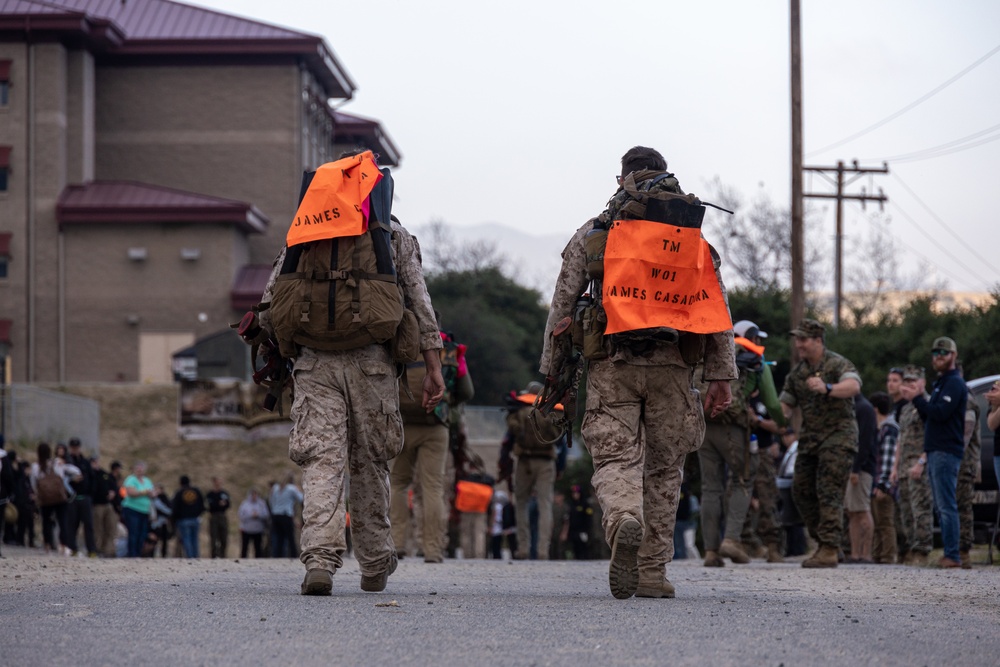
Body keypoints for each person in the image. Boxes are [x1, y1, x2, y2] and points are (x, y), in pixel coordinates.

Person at [540, 146, 737, 599]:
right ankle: (651, 572)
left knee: (615, 459)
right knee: (666, 470)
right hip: (674, 365)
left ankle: (624, 519)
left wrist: (552, 375)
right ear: (665, 175)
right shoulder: (692, 240)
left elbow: (562, 307)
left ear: (621, 178)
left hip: (612, 362)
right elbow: (716, 308)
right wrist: (720, 376)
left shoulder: (596, 231)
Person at [256, 152, 445, 595]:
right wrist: (433, 366)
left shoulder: (304, 229)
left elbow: (270, 303)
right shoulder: (392, 234)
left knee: (322, 461)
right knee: (370, 461)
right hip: (372, 362)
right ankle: (375, 559)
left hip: (314, 362)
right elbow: (419, 302)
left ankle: (320, 559)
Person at [779, 318, 861, 568]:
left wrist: (827, 387)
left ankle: (828, 548)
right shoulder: (798, 373)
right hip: (811, 441)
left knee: (829, 491)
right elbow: (784, 407)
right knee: (801, 490)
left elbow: (853, 386)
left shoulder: (837, 363)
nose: (798, 345)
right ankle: (828, 543)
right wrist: (765, 416)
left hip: (838, 437)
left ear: (817, 341)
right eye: (797, 340)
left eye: (803, 339)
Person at [391, 329, 474, 564]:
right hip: (436, 425)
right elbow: (467, 391)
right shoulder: (449, 350)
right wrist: (445, 402)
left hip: (404, 424)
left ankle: (397, 544)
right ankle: (433, 550)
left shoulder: (400, 343)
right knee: (433, 487)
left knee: (398, 484)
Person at [899, 336, 968, 569]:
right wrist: (918, 399)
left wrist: (917, 397)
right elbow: (931, 415)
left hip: (946, 451)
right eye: (935, 353)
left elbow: (940, 413)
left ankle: (953, 555)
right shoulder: (942, 383)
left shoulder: (954, 383)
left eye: (943, 353)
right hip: (936, 451)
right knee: (941, 505)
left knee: (947, 505)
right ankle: (950, 554)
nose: (938, 357)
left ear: (953, 355)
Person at [503, 382, 564, 561]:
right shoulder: (553, 412)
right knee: (545, 505)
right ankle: (542, 550)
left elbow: (510, 432)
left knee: (521, 503)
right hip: (546, 462)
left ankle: (523, 548)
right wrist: (560, 467)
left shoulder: (519, 411)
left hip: (524, 462)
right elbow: (560, 441)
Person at [869, 391, 899, 565]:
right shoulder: (882, 429)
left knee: (885, 521)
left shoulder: (889, 429)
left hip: (885, 484)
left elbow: (888, 460)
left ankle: (887, 555)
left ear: (874, 409)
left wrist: (882, 485)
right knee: (879, 521)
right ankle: (878, 554)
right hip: (879, 482)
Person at [845, 393, 877, 563]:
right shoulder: (853, 406)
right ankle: (855, 553)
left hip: (862, 468)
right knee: (853, 511)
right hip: (853, 466)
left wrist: (856, 468)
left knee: (863, 510)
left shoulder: (863, 408)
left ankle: (866, 554)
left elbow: (865, 440)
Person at [954, 362, 980, 569]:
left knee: (962, 506)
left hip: (963, 463)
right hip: (955, 461)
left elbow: (966, 432)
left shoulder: (967, 400)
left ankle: (963, 553)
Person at [65, 438, 98, 557]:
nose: (75, 450)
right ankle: (72, 548)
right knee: (72, 525)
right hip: (72, 498)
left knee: (88, 525)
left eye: (77, 447)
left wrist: (90, 494)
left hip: (85, 497)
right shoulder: (66, 462)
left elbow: (92, 478)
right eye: (73, 448)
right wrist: (71, 480)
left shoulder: (85, 462)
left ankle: (91, 550)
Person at [120, 461, 154, 558]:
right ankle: (132, 554)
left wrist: (152, 493)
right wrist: (144, 492)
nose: (140, 470)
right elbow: (131, 492)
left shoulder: (147, 480)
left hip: (144, 510)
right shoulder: (130, 479)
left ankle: (139, 553)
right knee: (133, 532)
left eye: (141, 468)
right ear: (134, 469)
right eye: (138, 468)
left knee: (142, 533)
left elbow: (152, 492)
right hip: (132, 509)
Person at [269, 473, 303, 560]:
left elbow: (271, 501)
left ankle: (277, 556)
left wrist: (274, 510)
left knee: (278, 537)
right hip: (286, 515)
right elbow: (301, 498)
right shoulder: (292, 488)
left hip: (276, 514)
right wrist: (299, 490)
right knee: (290, 537)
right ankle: (293, 555)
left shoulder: (275, 488)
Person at [90, 454, 119, 558]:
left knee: (110, 527)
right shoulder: (90, 474)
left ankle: (109, 550)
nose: (96, 463)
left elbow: (113, 485)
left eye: (97, 461)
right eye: (94, 462)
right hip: (97, 504)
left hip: (108, 504)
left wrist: (113, 492)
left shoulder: (104, 474)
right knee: (98, 528)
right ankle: (97, 549)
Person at [172, 475, 205, 558]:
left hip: (183, 520)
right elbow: (202, 505)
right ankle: (196, 556)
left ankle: (190, 557)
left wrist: (175, 518)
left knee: (186, 539)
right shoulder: (196, 491)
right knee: (195, 539)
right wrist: (198, 514)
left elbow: (174, 507)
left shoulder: (179, 493)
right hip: (195, 519)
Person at [238, 488, 270, 558]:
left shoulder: (262, 504)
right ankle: (243, 560)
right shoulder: (245, 504)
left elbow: (266, 515)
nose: (254, 496)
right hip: (247, 529)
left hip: (258, 530)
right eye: (252, 495)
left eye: (255, 495)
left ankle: (258, 561)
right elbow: (241, 515)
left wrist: (258, 515)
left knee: (258, 548)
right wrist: (251, 515)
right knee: (245, 547)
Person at [206, 477, 231, 559]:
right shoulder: (210, 494)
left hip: (222, 516)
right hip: (214, 516)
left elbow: (228, 504)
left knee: (224, 537)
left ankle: (223, 555)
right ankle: (214, 555)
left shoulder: (224, 493)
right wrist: (218, 504)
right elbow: (209, 506)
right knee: (214, 537)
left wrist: (223, 504)